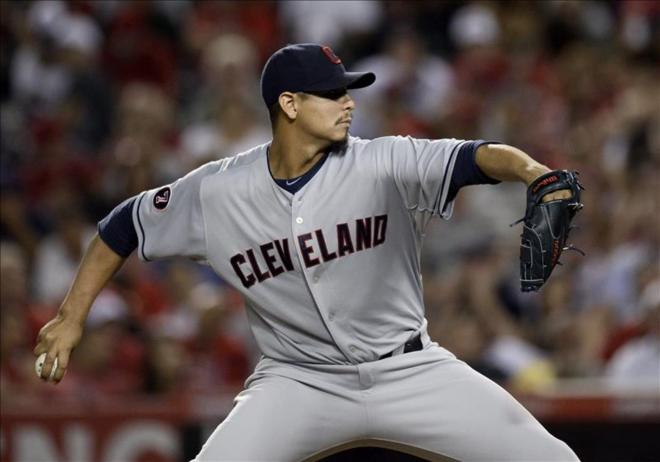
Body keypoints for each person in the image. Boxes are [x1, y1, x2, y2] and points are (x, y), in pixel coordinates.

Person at [34, 43, 579, 461]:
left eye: (348, 92)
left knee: (549, 457)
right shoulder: (219, 191)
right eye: (333, 94)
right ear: (289, 105)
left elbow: (475, 157)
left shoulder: (382, 161)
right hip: (299, 381)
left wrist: (533, 172)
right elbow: (122, 225)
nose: (348, 104)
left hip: (409, 369)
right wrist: (69, 317)